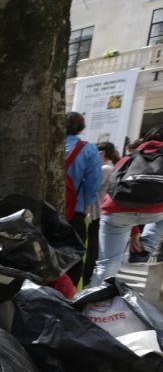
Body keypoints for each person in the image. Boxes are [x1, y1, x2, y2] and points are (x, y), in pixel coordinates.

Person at [90, 125, 163, 285]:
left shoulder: (129, 158)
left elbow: (114, 188)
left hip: (116, 211)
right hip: (156, 212)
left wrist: (134, 229)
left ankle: (92, 304)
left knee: (107, 263)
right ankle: (145, 247)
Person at [65, 111, 105, 285]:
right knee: (74, 254)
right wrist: (88, 204)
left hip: (43, 208)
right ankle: (69, 293)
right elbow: (93, 181)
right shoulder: (88, 149)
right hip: (75, 209)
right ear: (81, 128)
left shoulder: (46, 144)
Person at [81, 141, 121, 286]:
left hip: (96, 211)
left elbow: (93, 186)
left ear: (102, 153)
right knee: (93, 245)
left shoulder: (105, 168)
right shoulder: (112, 167)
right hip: (100, 211)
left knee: (90, 246)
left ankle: (86, 276)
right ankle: (88, 276)